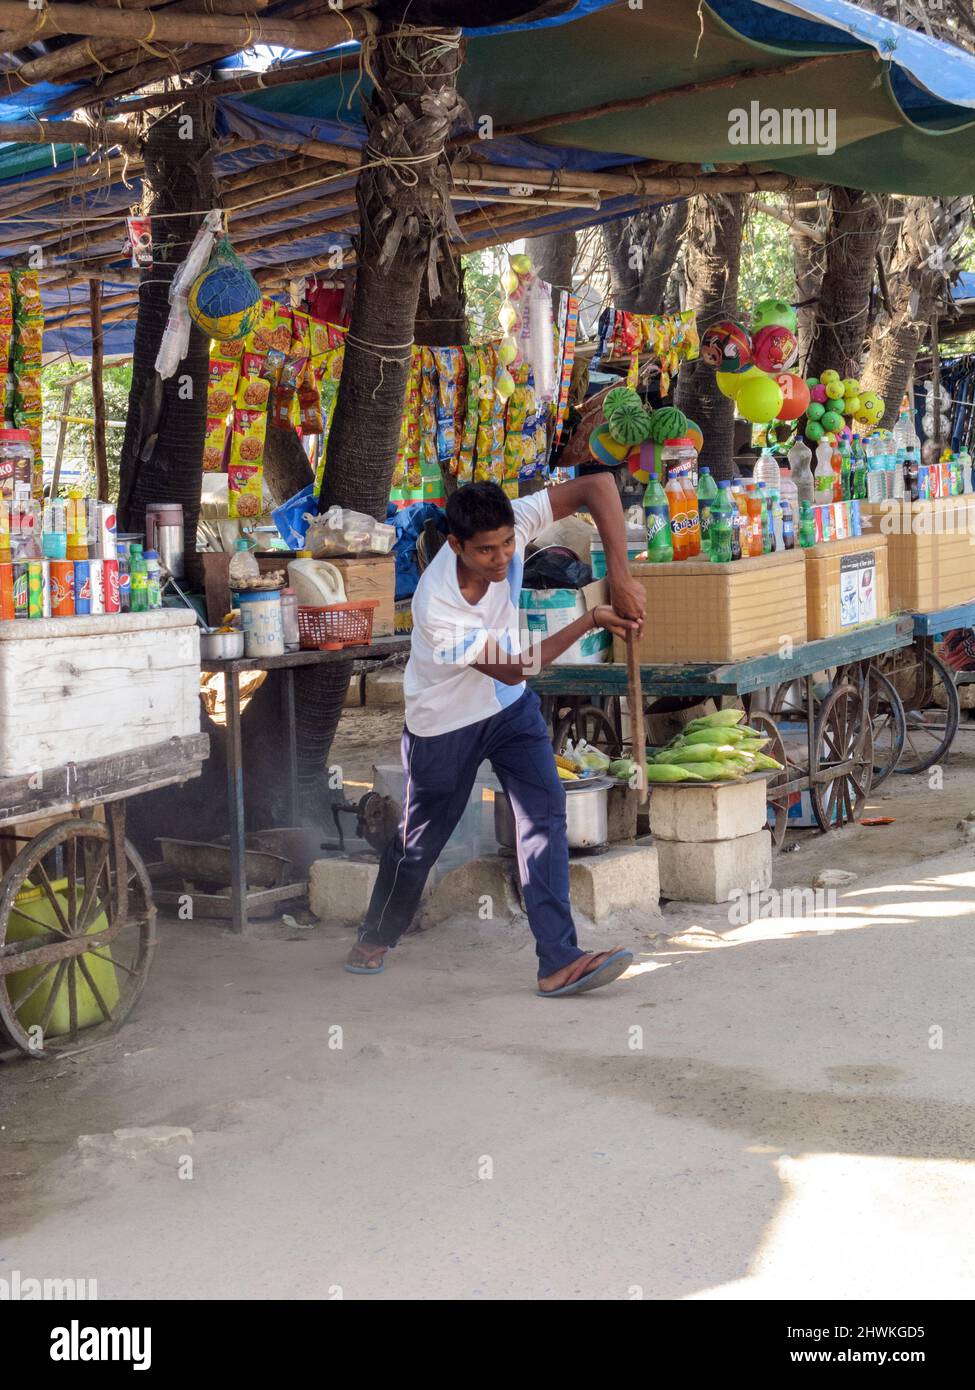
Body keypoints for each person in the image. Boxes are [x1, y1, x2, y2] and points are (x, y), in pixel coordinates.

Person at [345, 472, 646, 997]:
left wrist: (618, 574)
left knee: (545, 813)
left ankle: (558, 959)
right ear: (456, 545)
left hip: (509, 713)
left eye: (508, 542)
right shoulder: (436, 605)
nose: (503, 556)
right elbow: (514, 667)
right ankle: (376, 934)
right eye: (486, 550)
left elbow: (597, 485)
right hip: (444, 726)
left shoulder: (515, 523)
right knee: (420, 845)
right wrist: (590, 618)